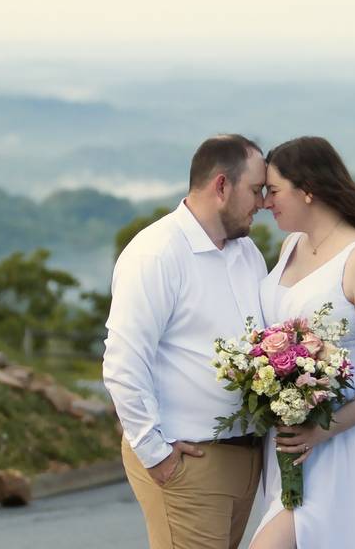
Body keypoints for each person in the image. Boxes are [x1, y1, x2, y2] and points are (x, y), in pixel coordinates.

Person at [250, 136, 355, 549]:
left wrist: (324, 431)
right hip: (294, 435)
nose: (264, 202)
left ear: (307, 189)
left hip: (346, 438)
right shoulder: (292, 245)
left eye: (273, 191)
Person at [103, 134, 269, 549]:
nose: (262, 203)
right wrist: (155, 453)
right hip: (188, 461)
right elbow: (124, 361)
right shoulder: (156, 254)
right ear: (221, 186)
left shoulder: (248, 254)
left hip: (246, 459)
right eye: (255, 190)